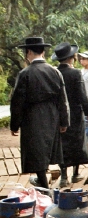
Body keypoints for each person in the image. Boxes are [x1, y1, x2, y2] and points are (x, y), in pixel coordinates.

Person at [10, 37, 69, 188]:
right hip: (52, 114)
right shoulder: (55, 72)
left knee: (35, 150)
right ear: (43, 51)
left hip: (32, 115)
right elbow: (62, 99)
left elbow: (17, 102)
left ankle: (44, 185)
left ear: (28, 52)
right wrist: (64, 121)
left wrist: (14, 125)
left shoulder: (25, 73)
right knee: (47, 147)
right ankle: (44, 182)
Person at [52, 42, 88, 187]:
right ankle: (76, 174)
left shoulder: (54, 72)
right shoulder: (76, 73)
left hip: (60, 114)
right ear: (73, 57)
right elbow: (82, 95)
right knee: (77, 141)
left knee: (62, 144)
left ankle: (63, 176)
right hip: (75, 113)